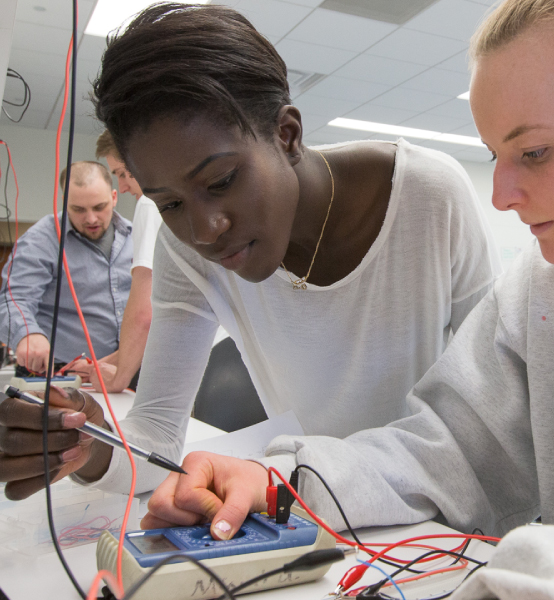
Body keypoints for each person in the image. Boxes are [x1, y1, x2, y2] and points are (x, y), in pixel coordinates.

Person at [139, 0, 554, 597]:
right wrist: (283, 482)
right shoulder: (548, 284)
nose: (501, 195)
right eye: (494, 156)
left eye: (533, 152)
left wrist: (548, 580)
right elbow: (445, 452)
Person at [0, 3, 501, 500]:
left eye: (221, 181)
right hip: (314, 514)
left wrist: (299, 477)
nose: (204, 230)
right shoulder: (185, 247)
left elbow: (491, 421)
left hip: (445, 520)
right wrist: (86, 442)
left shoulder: (429, 197)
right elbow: (155, 431)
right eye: (169, 202)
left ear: (286, 135)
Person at [0, 161, 133, 376]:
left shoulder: (136, 236)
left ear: (114, 197)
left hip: (128, 369)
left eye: (99, 207)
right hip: (62, 374)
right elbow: (13, 300)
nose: (91, 219)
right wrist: (27, 334)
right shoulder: (40, 240)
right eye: (78, 209)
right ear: (64, 202)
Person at [69, 131, 163, 392]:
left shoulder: (150, 204)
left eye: (123, 173)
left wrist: (118, 378)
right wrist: (105, 364)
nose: (122, 187)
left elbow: (145, 313)